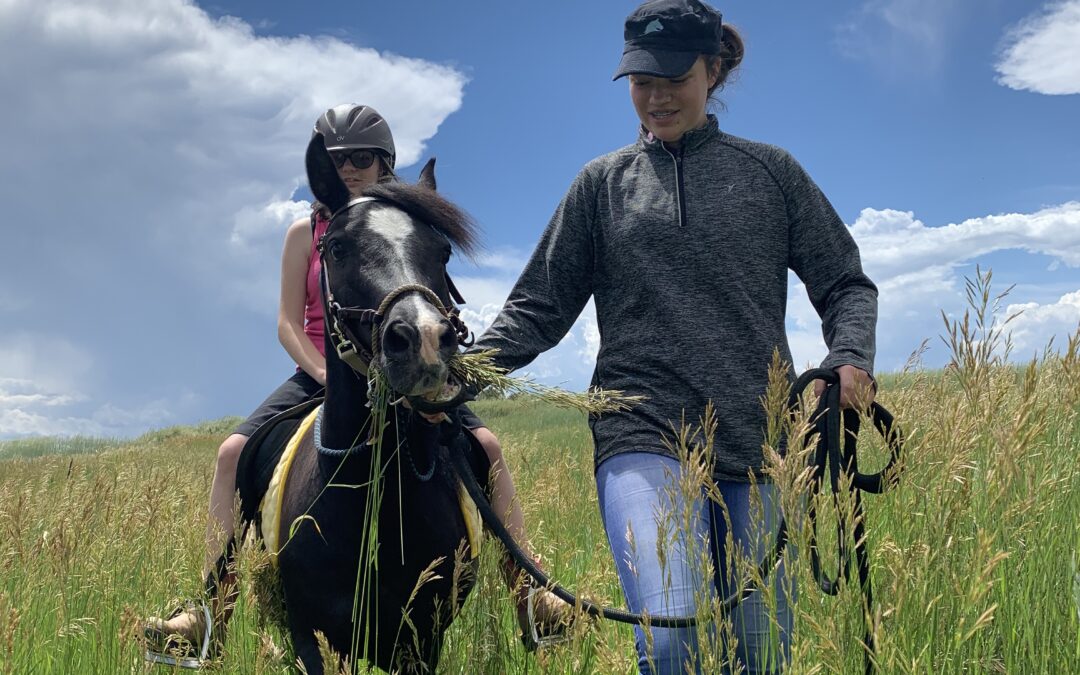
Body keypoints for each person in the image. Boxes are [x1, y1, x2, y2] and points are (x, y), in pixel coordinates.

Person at [470, 1, 878, 673]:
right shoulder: (600, 187)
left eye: (674, 77)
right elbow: (536, 308)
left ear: (713, 70)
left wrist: (850, 356)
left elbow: (846, 283)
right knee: (673, 641)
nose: (655, 96)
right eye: (640, 80)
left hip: (758, 439)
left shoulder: (772, 172)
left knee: (762, 653)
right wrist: (457, 372)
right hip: (640, 431)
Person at [145, 104, 567, 665]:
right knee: (231, 453)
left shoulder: (404, 226)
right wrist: (323, 373)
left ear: (385, 166)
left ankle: (530, 591)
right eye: (335, 160)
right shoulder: (305, 232)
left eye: (361, 159)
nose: (347, 170)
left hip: (397, 367)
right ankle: (207, 611)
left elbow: (425, 302)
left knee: (487, 446)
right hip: (322, 371)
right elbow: (287, 323)